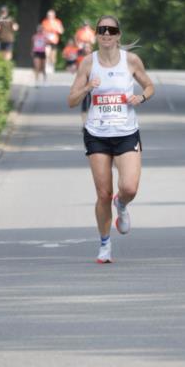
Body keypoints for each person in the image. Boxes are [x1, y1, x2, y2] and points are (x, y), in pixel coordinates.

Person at [67, 15, 154, 264]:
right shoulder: (88, 63)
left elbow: (149, 87)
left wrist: (141, 98)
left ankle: (122, 204)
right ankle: (105, 245)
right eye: (101, 30)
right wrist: (87, 88)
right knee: (103, 193)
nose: (106, 34)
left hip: (126, 131)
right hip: (97, 134)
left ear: (118, 35)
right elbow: (71, 101)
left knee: (129, 188)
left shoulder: (131, 61)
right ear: (96, 34)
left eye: (111, 30)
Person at [41, 9, 64, 73]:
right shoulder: (45, 22)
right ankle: (47, 66)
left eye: (50, 15)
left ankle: (52, 66)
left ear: (54, 15)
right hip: (47, 41)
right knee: (46, 53)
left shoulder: (57, 22)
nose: (49, 16)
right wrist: (45, 34)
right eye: (48, 15)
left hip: (54, 41)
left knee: (53, 56)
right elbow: (42, 31)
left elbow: (61, 31)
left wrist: (56, 29)